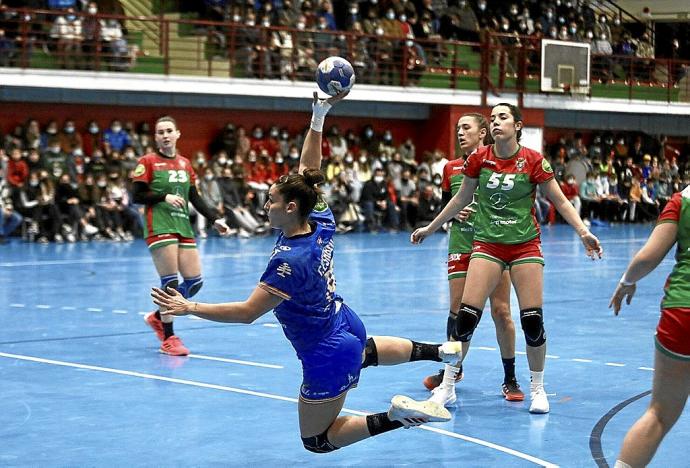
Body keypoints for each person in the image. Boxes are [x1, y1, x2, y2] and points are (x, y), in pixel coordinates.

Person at [150, 92, 460, 452]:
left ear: (291, 207)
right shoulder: (320, 221)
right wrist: (319, 115)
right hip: (343, 321)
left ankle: (397, 417)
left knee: (316, 440)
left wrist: (192, 308)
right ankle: (440, 350)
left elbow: (248, 312)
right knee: (365, 351)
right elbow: (307, 175)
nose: (265, 206)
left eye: (272, 201)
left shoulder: (288, 261)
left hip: (323, 348)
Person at [411, 103, 603, 414]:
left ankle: (537, 389)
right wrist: (431, 228)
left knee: (532, 322)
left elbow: (560, 200)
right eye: (493, 117)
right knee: (464, 320)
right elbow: (460, 198)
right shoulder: (479, 159)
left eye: (503, 117)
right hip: (488, 244)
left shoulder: (533, 161)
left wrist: (583, 233)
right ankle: (447, 388)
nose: (496, 121)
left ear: (517, 125)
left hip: (524, 245)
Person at [424, 112, 524, 408]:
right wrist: (453, 213)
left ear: (484, 133)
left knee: (501, 311)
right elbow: (447, 203)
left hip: (494, 244)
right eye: (457, 128)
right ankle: (453, 371)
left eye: (466, 128)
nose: (459, 133)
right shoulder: (451, 168)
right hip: (461, 243)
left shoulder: (497, 164)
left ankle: (510, 377)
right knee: (457, 310)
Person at [132, 116, 230, 356]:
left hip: (183, 225)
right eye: (160, 132)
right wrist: (162, 197)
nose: (165, 135)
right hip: (160, 226)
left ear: (177, 134)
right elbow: (137, 196)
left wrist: (215, 219)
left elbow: (194, 197)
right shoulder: (148, 162)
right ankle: (168, 338)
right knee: (170, 283)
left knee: (195, 282)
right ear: (155, 137)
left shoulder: (185, 164)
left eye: (168, 131)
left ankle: (158, 316)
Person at [609, 185, 690, 468]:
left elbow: (647, 257)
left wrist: (626, 281)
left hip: (682, 311)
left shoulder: (683, 200)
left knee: (658, 414)